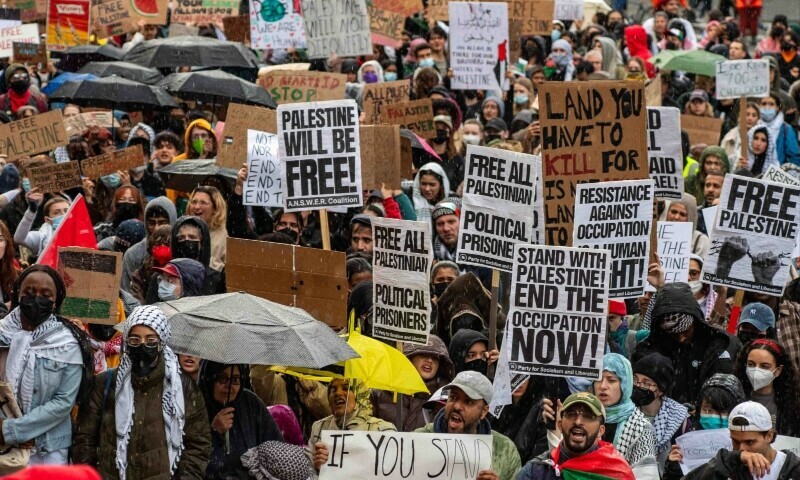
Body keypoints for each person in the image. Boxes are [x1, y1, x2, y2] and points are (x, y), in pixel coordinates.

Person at [72, 305, 211, 478]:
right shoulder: (105, 384)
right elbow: (84, 440)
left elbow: (198, 445)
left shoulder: (183, 388)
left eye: (151, 340)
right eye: (135, 340)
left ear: (162, 342)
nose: (143, 346)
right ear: (127, 342)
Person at [0, 265, 89, 465]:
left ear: (56, 300)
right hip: (3, 447)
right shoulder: (2, 334)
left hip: (48, 449)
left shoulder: (68, 342)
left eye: (45, 294)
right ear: (18, 294)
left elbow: (63, 402)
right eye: (29, 292)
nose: (36, 298)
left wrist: (15, 431)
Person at [632, 283, 741, 404]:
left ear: (695, 322)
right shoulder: (647, 350)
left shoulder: (722, 344)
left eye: (686, 331)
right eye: (673, 334)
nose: (681, 338)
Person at [416, 371, 522, 480]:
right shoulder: (419, 440)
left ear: (484, 411)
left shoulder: (505, 450)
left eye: (468, 402)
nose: (457, 406)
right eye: (453, 397)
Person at [516, 392, 635, 480]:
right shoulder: (537, 470)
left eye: (588, 416)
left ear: (601, 430)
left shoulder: (617, 472)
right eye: (571, 414)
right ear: (560, 424)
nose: (578, 421)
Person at [197, 361, 284, 479]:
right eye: (222, 378)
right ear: (209, 378)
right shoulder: (195, 407)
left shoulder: (250, 404)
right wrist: (214, 433)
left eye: (235, 379)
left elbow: (278, 449)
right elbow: (192, 463)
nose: (229, 386)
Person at [682, 401, 800, 479]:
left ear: (769, 436)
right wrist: (729, 460)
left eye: (750, 442)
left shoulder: (793, 468)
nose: (742, 449)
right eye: (736, 442)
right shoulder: (728, 466)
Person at [308, 378, 396, 473]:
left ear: (360, 394)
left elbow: (391, 472)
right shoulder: (319, 428)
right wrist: (317, 466)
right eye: (333, 390)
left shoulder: (384, 430)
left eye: (346, 388)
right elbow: (307, 471)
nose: (338, 393)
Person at [371, 335, 454, 432]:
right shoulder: (382, 392)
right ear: (410, 358)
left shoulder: (446, 400)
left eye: (435, 358)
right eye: (423, 354)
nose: (430, 360)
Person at [632, 353, 689, 476]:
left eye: (646, 383)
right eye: (635, 379)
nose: (638, 386)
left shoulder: (678, 419)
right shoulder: (626, 412)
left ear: (661, 390)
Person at [733, 338, 800, 436]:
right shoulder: (735, 397)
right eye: (751, 364)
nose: (756, 371)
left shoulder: (791, 404)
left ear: (778, 370)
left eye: (764, 366)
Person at [120, 196, 177, 291]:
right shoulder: (134, 253)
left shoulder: (180, 250)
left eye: (162, 222)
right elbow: (127, 294)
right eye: (152, 223)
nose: (156, 228)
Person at [13, 194, 69, 260]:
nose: (64, 215)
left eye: (66, 210)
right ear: (47, 220)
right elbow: (19, 239)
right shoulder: (42, 238)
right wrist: (32, 210)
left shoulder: (83, 231)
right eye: (56, 212)